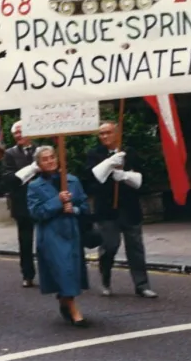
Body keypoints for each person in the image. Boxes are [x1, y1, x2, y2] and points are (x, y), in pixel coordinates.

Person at [84, 121, 158, 298]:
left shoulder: (129, 152)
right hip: (107, 210)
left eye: (108, 132)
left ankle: (142, 285)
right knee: (109, 246)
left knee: (136, 248)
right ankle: (106, 279)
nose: (104, 136)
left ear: (117, 133)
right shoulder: (94, 154)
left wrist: (125, 175)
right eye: (101, 134)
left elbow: (142, 179)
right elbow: (89, 180)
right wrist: (109, 166)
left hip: (130, 208)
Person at [27, 146, 90, 327]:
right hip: (51, 234)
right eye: (45, 159)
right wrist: (57, 202)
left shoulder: (72, 181)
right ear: (39, 164)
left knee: (72, 270)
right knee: (64, 269)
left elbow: (84, 206)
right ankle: (73, 310)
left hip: (71, 231)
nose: (50, 161)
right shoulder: (34, 186)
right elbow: (36, 212)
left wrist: (75, 209)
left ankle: (64, 301)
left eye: (52, 157)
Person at [1, 121, 39, 287]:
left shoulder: (40, 150)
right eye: (16, 133)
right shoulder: (10, 154)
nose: (19, 135)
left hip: (42, 201)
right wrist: (31, 170)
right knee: (25, 243)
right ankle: (27, 274)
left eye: (21, 131)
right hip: (22, 204)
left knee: (46, 240)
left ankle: (50, 273)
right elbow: (9, 178)